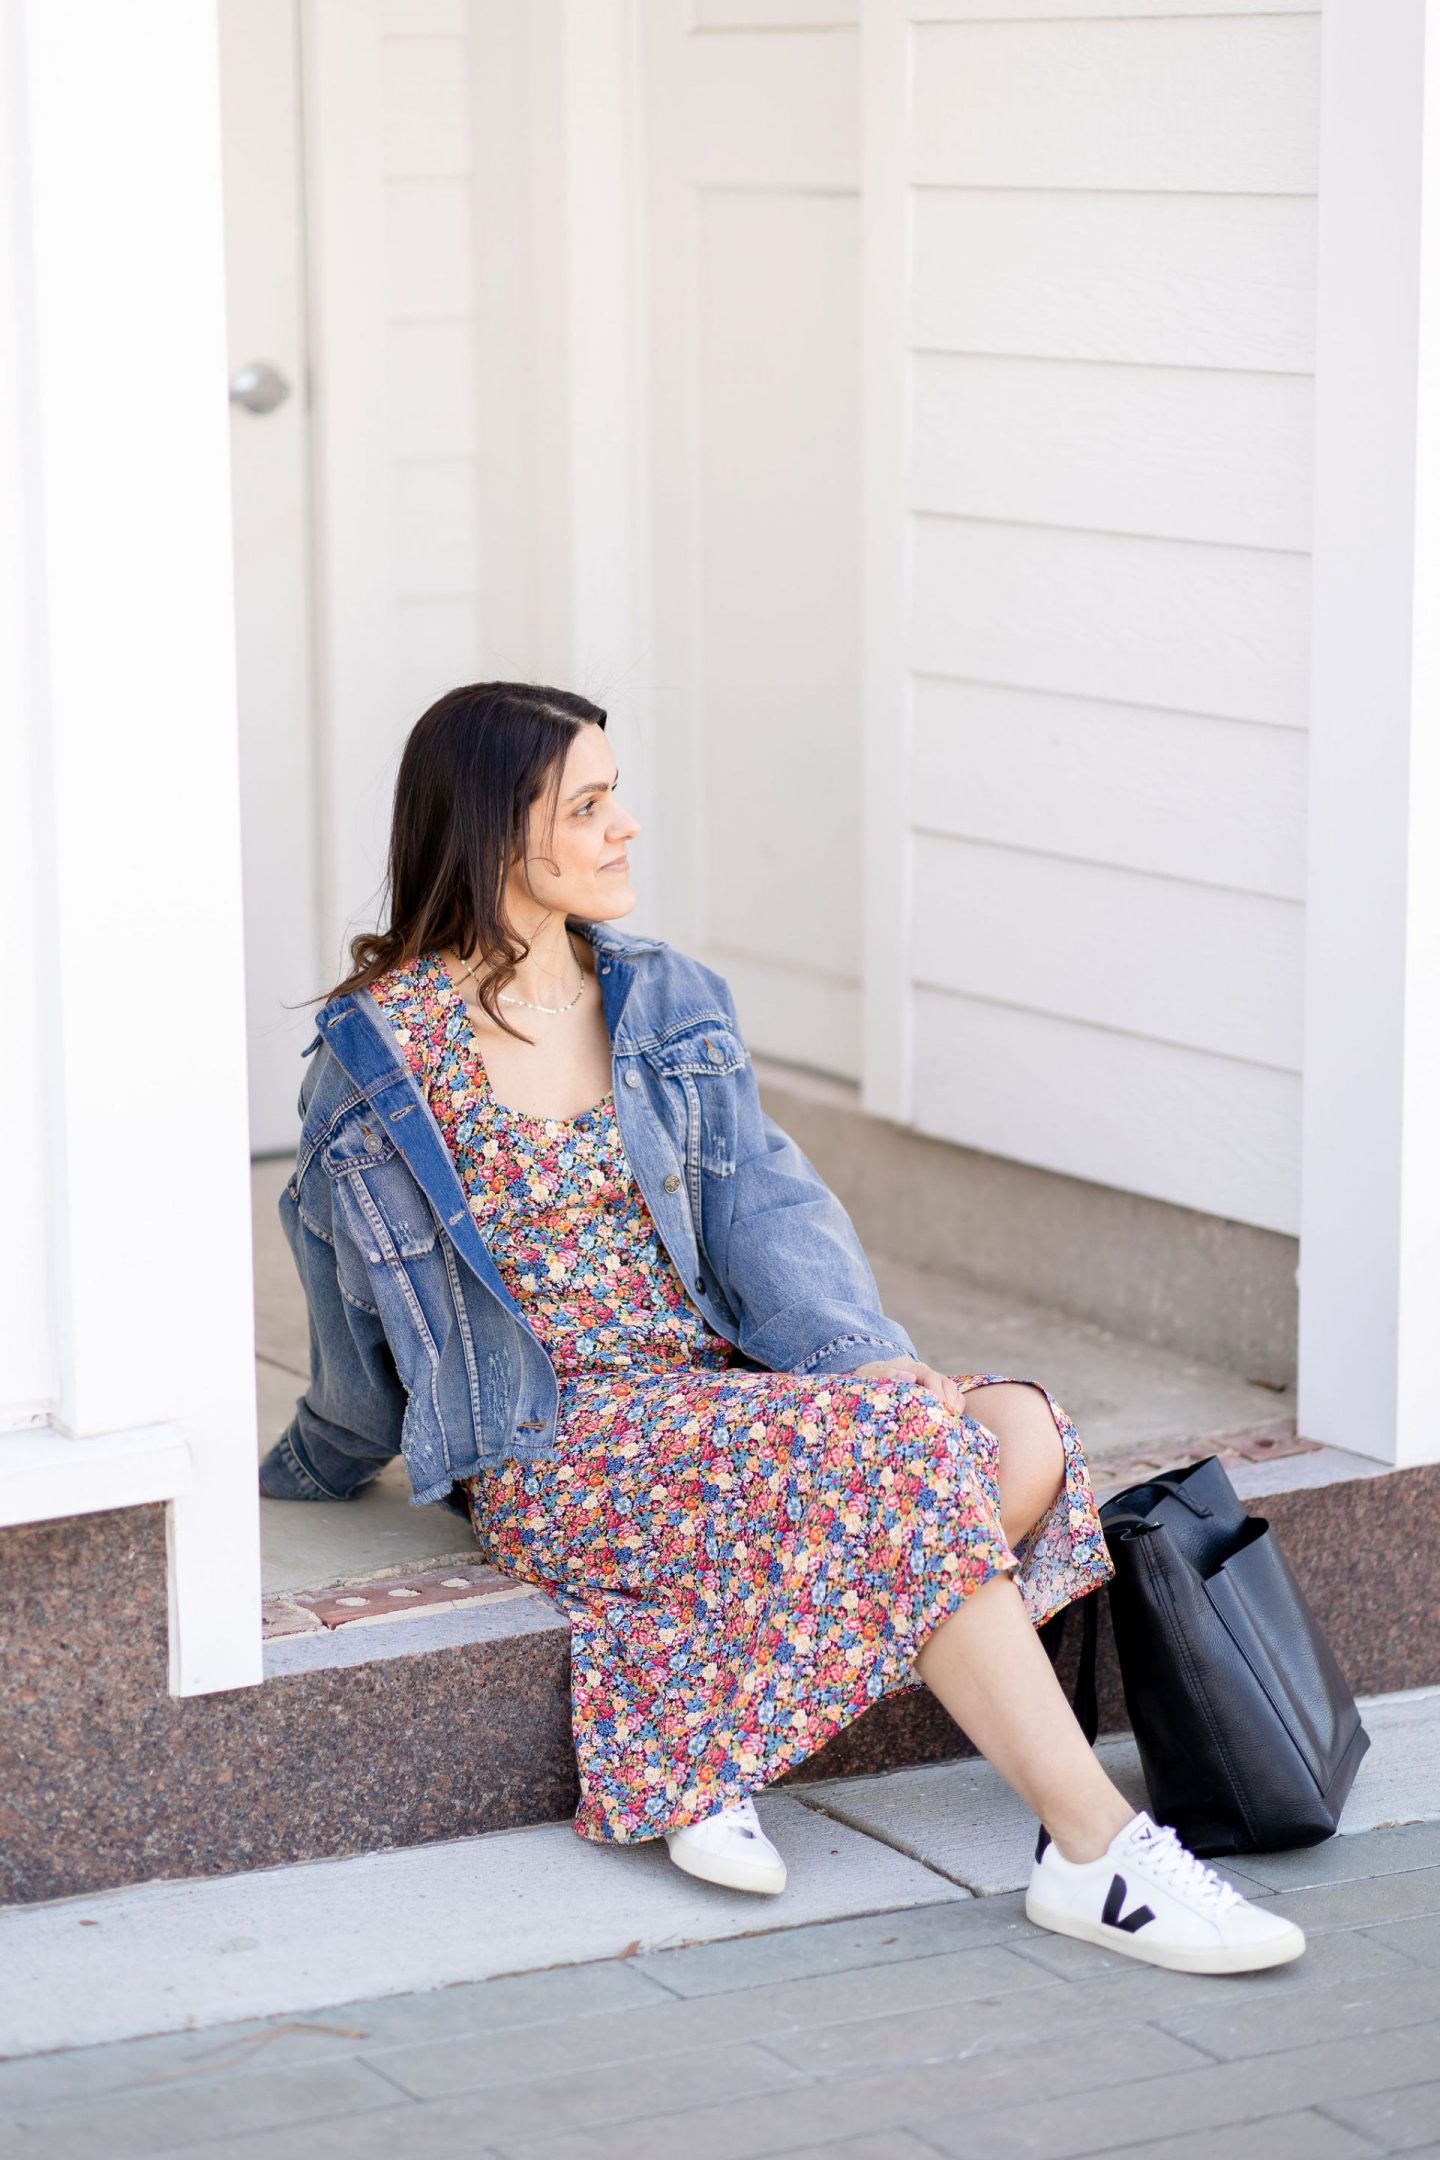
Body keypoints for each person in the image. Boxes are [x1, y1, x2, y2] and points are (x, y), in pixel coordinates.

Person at [259, 682, 1304, 1978]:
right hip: (555, 1441)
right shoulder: (380, 1061)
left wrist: (869, 1370)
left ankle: (697, 1729)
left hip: (722, 1401)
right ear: (490, 833)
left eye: (616, 794)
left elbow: (769, 1217)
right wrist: (316, 1459)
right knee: (923, 1464)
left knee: (1013, 1428)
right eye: (589, 807)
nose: (627, 826)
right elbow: (348, 1303)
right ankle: (1095, 1851)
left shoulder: (666, 1001)